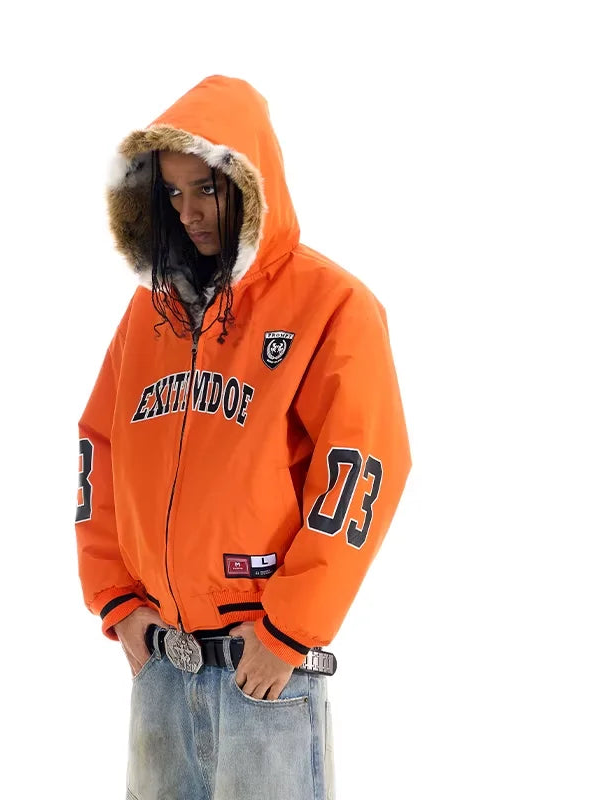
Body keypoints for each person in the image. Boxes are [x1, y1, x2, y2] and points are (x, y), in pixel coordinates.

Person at [75, 75, 411, 800]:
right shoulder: (148, 316)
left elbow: (362, 466)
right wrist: (117, 600)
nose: (188, 212)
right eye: (171, 192)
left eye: (207, 189)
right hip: (160, 660)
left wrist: (291, 628)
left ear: (251, 184)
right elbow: (99, 448)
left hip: (263, 665)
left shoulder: (332, 304)